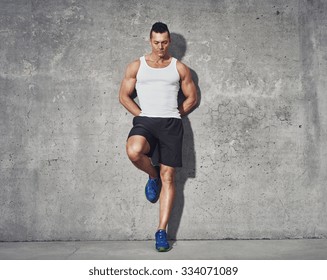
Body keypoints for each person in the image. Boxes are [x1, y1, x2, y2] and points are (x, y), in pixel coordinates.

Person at [119, 22, 197, 252]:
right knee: (134, 151)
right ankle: (151, 176)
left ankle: (161, 231)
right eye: (156, 42)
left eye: (164, 42)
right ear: (150, 41)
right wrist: (141, 114)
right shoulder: (137, 66)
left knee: (170, 178)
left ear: (169, 41)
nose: (160, 47)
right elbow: (124, 96)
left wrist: (174, 114)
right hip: (146, 121)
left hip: (171, 123)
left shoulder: (179, 68)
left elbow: (191, 98)